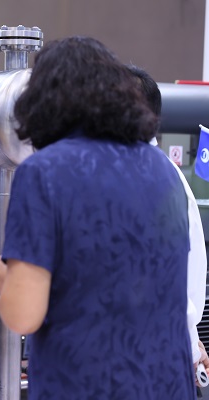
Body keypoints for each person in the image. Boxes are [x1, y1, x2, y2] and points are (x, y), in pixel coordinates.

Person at [0, 37, 196, 399]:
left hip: (86, 383)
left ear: (42, 100)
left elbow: (23, 314)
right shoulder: (164, 169)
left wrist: (2, 274)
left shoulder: (43, 172)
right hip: (166, 383)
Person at [128, 64, 209, 386]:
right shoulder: (163, 173)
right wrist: (192, 342)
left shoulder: (152, 176)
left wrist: (190, 345)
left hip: (151, 357)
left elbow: (171, 279)